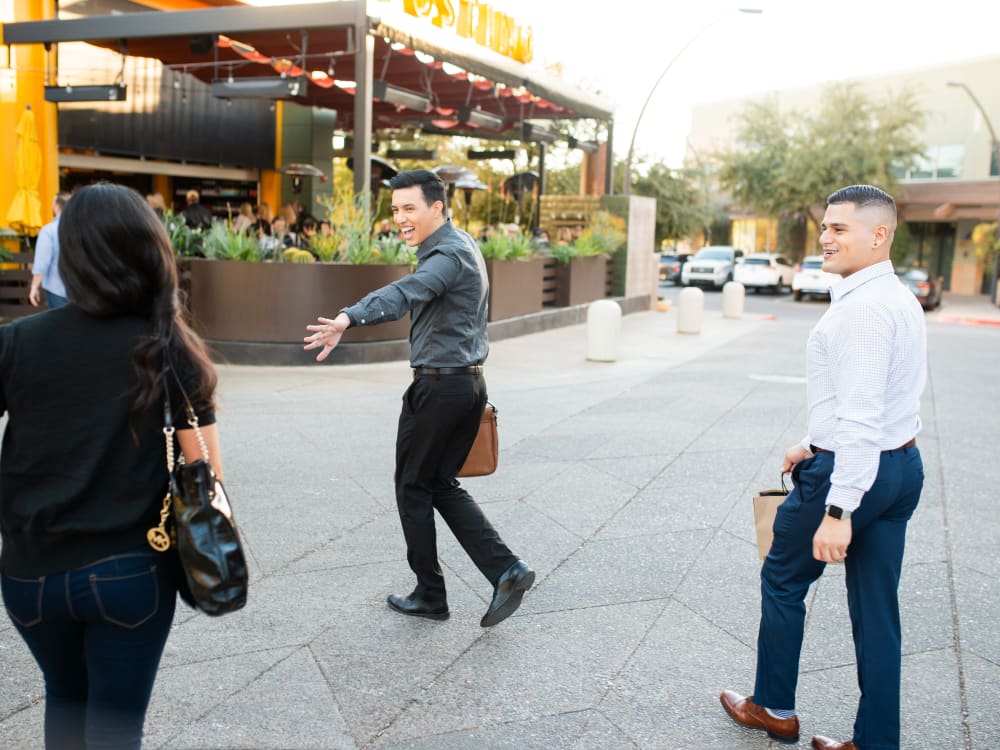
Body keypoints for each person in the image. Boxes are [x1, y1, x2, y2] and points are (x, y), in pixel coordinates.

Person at [0, 183, 222, 749]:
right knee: (116, 727)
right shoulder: (170, 347)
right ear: (148, 250)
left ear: (70, 256)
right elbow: (208, 478)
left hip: (30, 573)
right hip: (131, 573)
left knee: (64, 699)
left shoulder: (16, 343)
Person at [721, 185, 926, 750]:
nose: (825, 237)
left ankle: (773, 709)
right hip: (901, 465)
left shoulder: (862, 311)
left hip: (852, 476)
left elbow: (860, 419)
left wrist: (839, 508)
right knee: (877, 611)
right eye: (825, 226)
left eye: (840, 229)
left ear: (879, 235)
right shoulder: (897, 297)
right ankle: (877, 742)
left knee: (783, 581)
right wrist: (812, 441)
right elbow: (876, 401)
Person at [304, 169, 534, 627]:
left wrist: (349, 318)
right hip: (463, 384)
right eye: (395, 210)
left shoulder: (447, 256)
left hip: (440, 387)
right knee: (438, 483)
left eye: (410, 209)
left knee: (412, 485)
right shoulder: (461, 243)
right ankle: (506, 569)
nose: (400, 219)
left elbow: (406, 292)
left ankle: (430, 593)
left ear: (437, 209)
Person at [29, 192, 71, 310]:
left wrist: (34, 287)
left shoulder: (49, 230)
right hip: (80, 289)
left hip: (56, 288)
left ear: (57, 207)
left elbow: (42, 262)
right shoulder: (82, 228)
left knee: (59, 326)